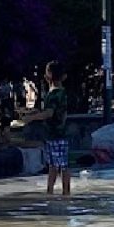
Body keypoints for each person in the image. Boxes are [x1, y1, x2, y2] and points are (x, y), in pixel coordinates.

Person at [23, 60, 70, 196]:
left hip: (56, 135)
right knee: (56, 165)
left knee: (59, 165)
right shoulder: (62, 92)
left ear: (48, 75)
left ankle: (62, 192)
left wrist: (31, 118)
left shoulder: (54, 94)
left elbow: (49, 113)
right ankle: (54, 192)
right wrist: (35, 113)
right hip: (58, 133)